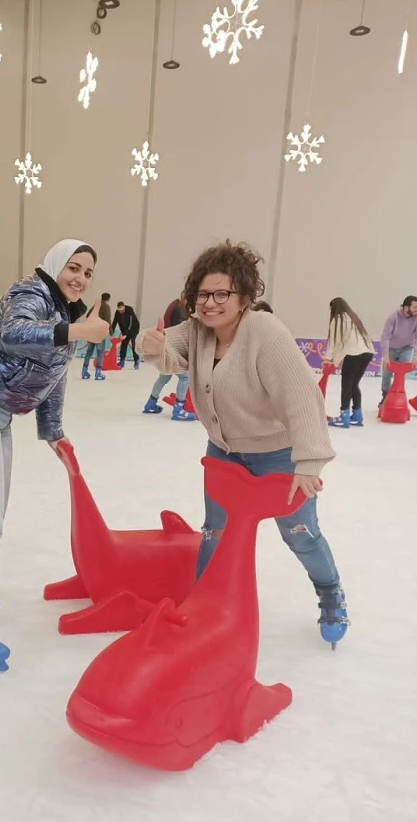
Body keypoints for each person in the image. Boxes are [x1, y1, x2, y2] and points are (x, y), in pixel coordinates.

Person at [137, 240, 348, 649]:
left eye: (221, 294)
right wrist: (154, 347)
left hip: (279, 455)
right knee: (214, 533)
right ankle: (200, 608)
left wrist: (308, 462)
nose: (210, 303)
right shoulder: (198, 330)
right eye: (202, 293)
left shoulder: (266, 334)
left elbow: (302, 394)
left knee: (300, 532)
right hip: (225, 452)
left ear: (244, 298)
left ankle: (331, 593)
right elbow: (170, 351)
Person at [0, 239, 108, 672]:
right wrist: (77, 331)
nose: (80, 278)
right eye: (74, 267)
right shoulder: (29, 293)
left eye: (87, 272)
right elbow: (15, 333)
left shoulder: (65, 313)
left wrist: (53, 431)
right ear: (53, 265)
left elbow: (54, 376)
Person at [322, 298, 374, 428]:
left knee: (346, 385)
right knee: (354, 384)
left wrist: (328, 359)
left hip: (354, 354)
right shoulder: (353, 317)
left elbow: (334, 341)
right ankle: (357, 415)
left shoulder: (337, 319)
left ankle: (344, 416)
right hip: (367, 353)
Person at [143, 295, 195, 421]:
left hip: (166, 346)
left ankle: (151, 403)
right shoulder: (178, 309)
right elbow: (177, 331)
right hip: (172, 348)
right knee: (185, 377)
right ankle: (178, 410)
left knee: (164, 376)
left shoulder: (174, 306)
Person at [379, 296, 417, 406]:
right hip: (391, 348)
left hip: (406, 348)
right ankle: (385, 397)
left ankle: (398, 397)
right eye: (415, 307)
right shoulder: (393, 317)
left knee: (401, 374)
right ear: (406, 308)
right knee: (386, 373)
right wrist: (385, 354)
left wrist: (415, 356)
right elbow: (385, 336)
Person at [81, 293, 112, 380]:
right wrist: (111, 333)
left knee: (89, 352)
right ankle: (98, 373)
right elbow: (108, 320)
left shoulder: (96, 305)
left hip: (91, 332)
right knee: (100, 353)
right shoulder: (106, 307)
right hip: (99, 333)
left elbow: (88, 315)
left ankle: (84, 372)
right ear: (108, 299)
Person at [112, 300, 141, 369]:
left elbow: (131, 323)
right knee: (123, 345)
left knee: (133, 346)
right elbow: (114, 322)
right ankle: (122, 361)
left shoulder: (129, 310)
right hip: (125, 330)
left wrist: (126, 334)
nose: (120, 310)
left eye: (121, 308)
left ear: (124, 307)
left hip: (133, 329)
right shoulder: (117, 313)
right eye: (119, 309)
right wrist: (111, 333)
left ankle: (136, 360)